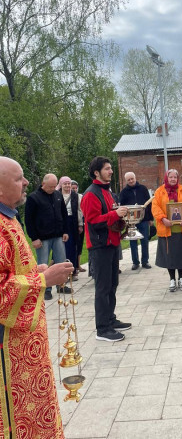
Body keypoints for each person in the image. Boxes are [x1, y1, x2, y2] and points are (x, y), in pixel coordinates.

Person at [0, 156, 74, 438]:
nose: (27, 182)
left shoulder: (7, 217)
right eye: (19, 178)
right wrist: (44, 279)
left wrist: (36, 269)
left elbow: (11, 268)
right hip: (8, 351)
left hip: (25, 344)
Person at [81, 156, 131, 342]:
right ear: (97, 172)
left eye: (110, 168)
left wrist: (123, 223)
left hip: (112, 243)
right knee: (102, 288)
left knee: (112, 285)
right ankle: (102, 329)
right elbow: (93, 221)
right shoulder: (91, 194)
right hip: (99, 246)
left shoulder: (107, 191)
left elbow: (110, 216)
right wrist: (114, 214)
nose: (111, 171)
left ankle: (110, 319)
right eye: (107, 169)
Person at [25, 173, 70, 300]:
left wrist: (65, 231)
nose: (52, 189)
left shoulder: (57, 195)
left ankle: (61, 285)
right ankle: (45, 288)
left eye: (55, 186)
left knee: (61, 260)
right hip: (42, 238)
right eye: (50, 186)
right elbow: (29, 220)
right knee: (43, 264)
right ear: (43, 184)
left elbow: (64, 213)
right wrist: (34, 238)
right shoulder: (34, 198)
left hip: (58, 235)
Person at [152, 169, 182, 292]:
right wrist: (163, 219)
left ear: (178, 178)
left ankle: (181, 278)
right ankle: (172, 279)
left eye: (175, 177)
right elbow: (155, 207)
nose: (173, 179)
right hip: (166, 229)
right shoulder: (159, 191)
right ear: (166, 177)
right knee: (169, 256)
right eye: (170, 177)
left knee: (181, 255)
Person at [119, 171, 153, 270]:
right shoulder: (123, 192)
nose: (131, 181)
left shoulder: (143, 189)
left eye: (132, 179)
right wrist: (124, 221)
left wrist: (150, 218)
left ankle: (145, 261)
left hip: (143, 219)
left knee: (144, 241)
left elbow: (149, 204)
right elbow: (122, 206)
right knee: (132, 242)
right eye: (128, 180)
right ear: (126, 181)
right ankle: (135, 262)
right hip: (130, 222)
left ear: (135, 178)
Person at [57, 176, 83, 281]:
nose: (67, 186)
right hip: (61, 224)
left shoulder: (76, 196)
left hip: (73, 222)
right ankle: (62, 272)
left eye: (69, 184)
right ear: (61, 185)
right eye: (65, 184)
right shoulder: (57, 195)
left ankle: (73, 271)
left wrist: (80, 224)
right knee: (61, 249)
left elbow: (79, 211)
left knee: (73, 247)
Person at [71, 180, 86, 273]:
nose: (74, 190)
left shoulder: (81, 196)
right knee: (73, 245)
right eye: (73, 188)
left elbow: (82, 210)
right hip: (72, 224)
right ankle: (73, 266)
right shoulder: (67, 197)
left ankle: (78, 265)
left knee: (80, 244)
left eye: (76, 188)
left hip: (81, 222)